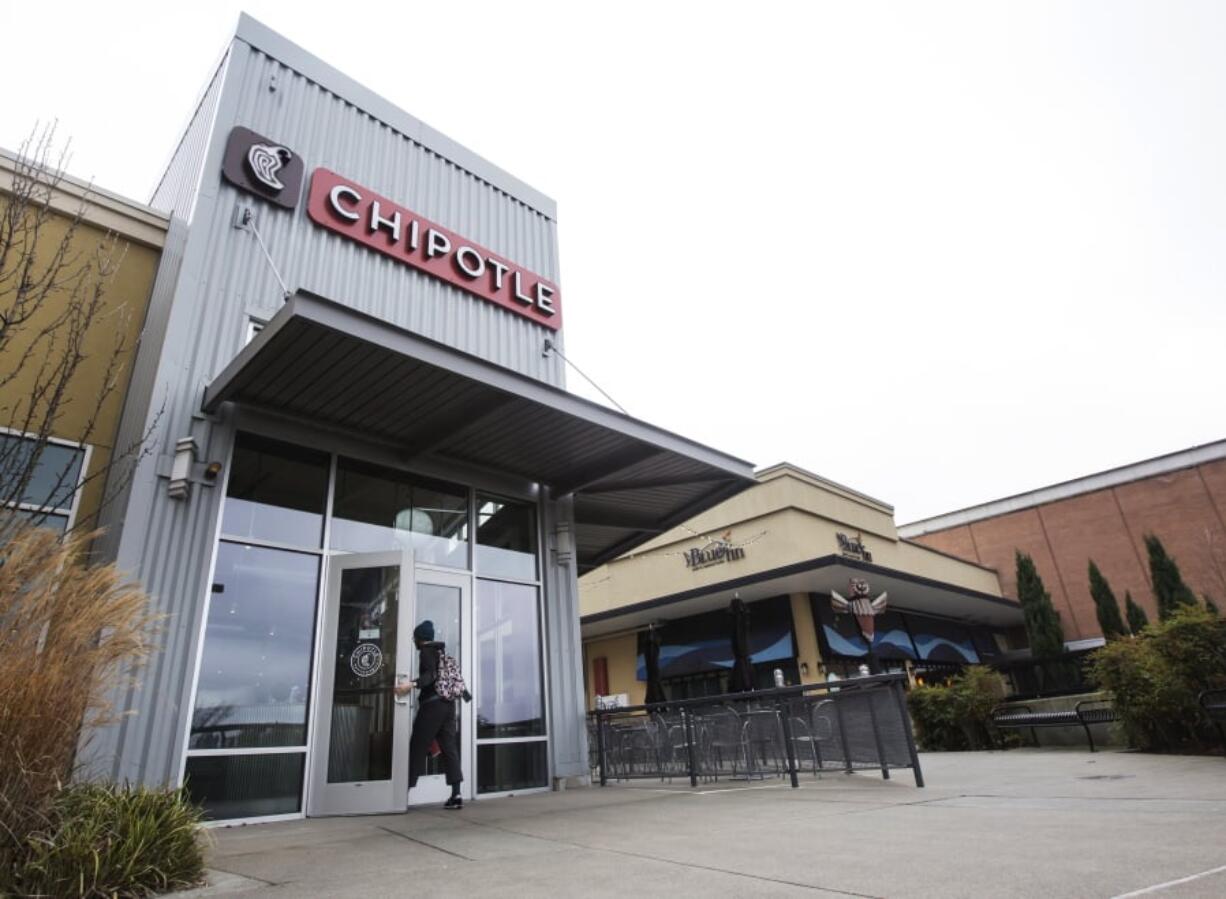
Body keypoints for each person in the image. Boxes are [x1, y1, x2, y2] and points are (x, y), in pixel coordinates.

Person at [394, 620, 463, 809]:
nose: (413, 641)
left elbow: (430, 676)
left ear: (419, 638)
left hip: (432, 706)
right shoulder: (441, 652)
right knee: (449, 748)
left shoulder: (426, 652)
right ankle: (456, 794)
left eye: (414, 638)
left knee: (417, 747)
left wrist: (410, 684)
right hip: (448, 705)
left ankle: (400, 796)